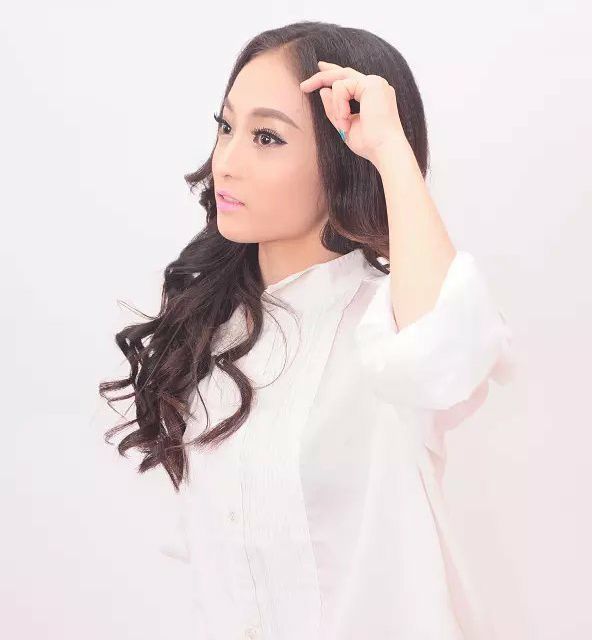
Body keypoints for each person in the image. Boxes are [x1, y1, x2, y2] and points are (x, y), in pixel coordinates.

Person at [100, 21, 515, 640]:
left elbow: (443, 359)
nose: (226, 163)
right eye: (226, 127)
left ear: (344, 159)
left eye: (267, 137)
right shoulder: (210, 334)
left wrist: (389, 148)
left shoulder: (387, 319)